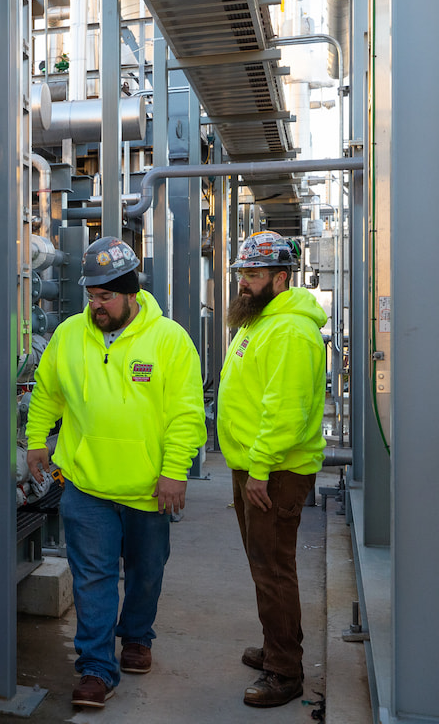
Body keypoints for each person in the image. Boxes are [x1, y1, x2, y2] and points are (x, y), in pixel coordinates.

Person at [26, 236, 206, 709]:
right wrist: (35, 441)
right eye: (91, 295)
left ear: (130, 292)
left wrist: (174, 472)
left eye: (106, 295)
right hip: (86, 485)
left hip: (149, 489)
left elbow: (186, 414)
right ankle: (95, 669)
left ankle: (137, 636)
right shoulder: (68, 335)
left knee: (146, 573)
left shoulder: (169, 339)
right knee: (93, 578)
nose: (97, 305)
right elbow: (47, 392)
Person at [217, 230, 326, 707]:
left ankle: (285, 671)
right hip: (255, 468)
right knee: (265, 566)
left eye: (254, 275)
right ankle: (278, 646)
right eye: (242, 273)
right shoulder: (260, 322)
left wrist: (258, 468)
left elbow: (285, 413)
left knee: (274, 569)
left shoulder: (290, 331)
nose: (244, 283)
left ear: (281, 278)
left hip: (275, 472)